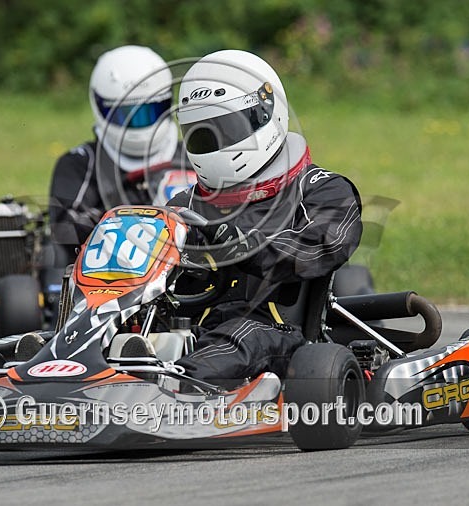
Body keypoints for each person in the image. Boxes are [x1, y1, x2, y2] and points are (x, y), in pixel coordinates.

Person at [166, 49, 364, 387]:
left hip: (278, 334)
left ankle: (173, 386)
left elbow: (315, 249)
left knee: (240, 336)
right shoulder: (186, 204)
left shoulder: (323, 190)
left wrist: (241, 243)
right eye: (202, 134)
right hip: (193, 330)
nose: (216, 144)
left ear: (266, 112)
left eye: (227, 129)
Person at [48, 45, 189, 267]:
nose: (140, 125)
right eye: (127, 116)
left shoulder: (190, 159)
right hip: (109, 276)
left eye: (150, 112)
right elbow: (65, 228)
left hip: (185, 273)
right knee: (50, 256)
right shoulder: (80, 164)